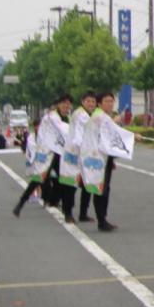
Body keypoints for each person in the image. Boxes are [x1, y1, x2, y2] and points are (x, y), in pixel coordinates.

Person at [59, 92, 96, 223]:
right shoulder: (81, 115)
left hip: (82, 155)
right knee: (71, 185)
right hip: (75, 155)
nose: (91, 104)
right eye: (88, 101)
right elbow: (79, 138)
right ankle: (68, 213)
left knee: (87, 184)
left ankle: (83, 213)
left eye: (93, 101)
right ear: (82, 101)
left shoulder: (84, 114)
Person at [90, 92, 120, 232]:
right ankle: (101, 221)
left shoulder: (103, 117)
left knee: (104, 188)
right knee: (101, 189)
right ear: (100, 104)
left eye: (111, 101)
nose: (110, 103)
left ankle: (102, 219)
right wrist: (133, 136)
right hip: (98, 159)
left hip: (104, 158)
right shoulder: (101, 117)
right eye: (107, 101)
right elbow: (116, 132)